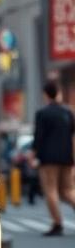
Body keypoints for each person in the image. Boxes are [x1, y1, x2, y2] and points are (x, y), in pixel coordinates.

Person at [31, 80, 75, 237]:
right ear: (59, 93)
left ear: (45, 95)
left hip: (48, 159)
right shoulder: (69, 112)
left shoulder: (42, 113)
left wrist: (32, 155)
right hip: (67, 158)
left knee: (51, 191)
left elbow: (38, 137)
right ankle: (57, 222)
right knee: (68, 191)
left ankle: (57, 223)